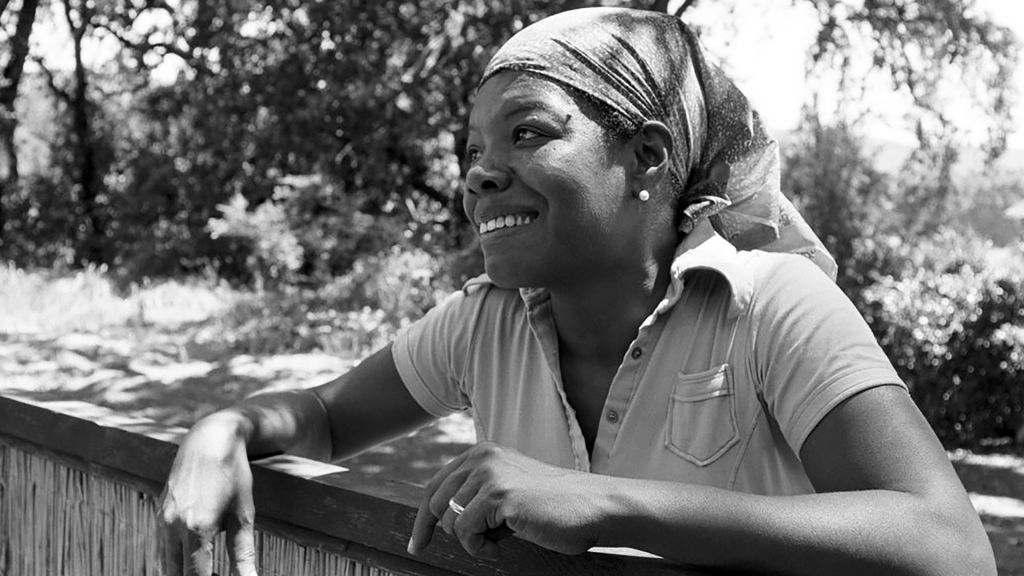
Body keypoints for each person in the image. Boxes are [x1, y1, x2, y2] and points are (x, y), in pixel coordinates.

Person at [161, 7, 996, 576]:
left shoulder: (769, 305)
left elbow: (950, 545)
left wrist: (603, 504)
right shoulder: (482, 323)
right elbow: (329, 417)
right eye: (476, 148)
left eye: (528, 132)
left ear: (647, 159)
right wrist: (224, 427)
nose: (481, 174)